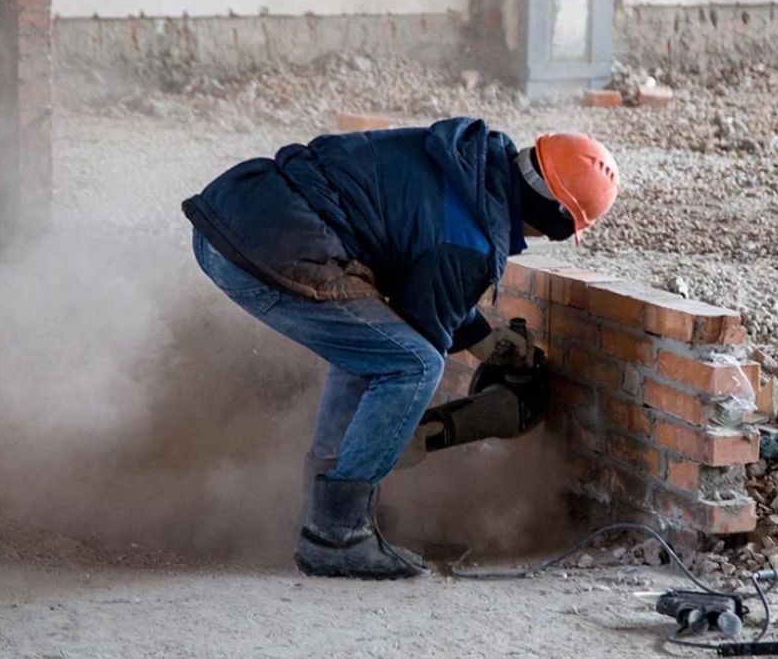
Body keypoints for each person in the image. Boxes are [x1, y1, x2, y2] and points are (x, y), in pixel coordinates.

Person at [182, 117, 618, 579]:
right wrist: (415, 435)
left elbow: (417, 256)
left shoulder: (466, 165)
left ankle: (323, 508)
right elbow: (422, 324)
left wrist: (482, 339)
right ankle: (336, 535)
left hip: (232, 215)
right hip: (269, 252)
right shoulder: (469, 239)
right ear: (554, 217)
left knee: (375, 349)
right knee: (410, 365)